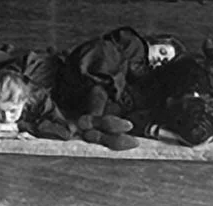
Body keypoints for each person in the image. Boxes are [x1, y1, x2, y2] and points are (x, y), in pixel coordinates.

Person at [53, 26, 186, 151]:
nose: (159, 58)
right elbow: (127, 66)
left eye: (164, 61)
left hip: (87, 93)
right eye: (162, 51)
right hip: (86, 69)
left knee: (113, 96)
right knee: (106, 79)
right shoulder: (135, 43)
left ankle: (98, 129)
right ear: (155, 41)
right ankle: (96, 123)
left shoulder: (143, 70)